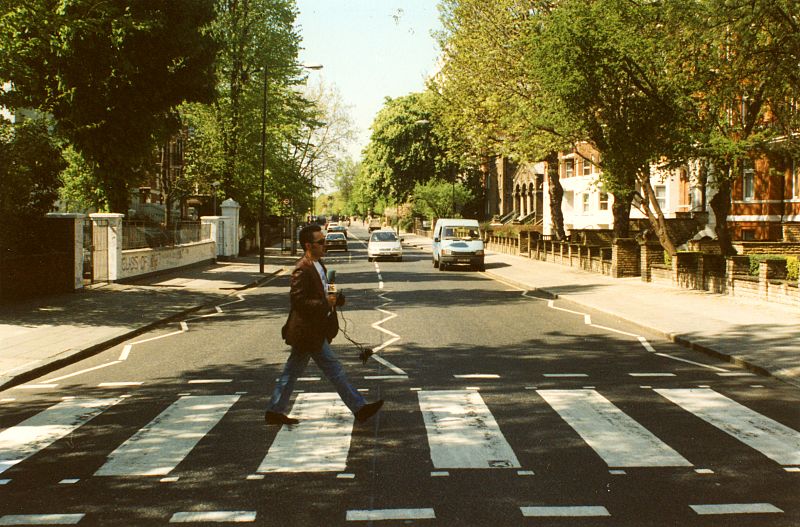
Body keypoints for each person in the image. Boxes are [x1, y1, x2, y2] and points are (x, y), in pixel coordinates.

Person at [266, 224, 384, 425]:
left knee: (292, 372)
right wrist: (325, 303)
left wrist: (336, 299)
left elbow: (327, 292)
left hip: (315, 329)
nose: (325, 245)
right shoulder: (301, 269)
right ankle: (359, 408)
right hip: (308, 331)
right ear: (308, 245)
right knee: (334, 369)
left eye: (325, 241)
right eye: (321, 242)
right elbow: (298, 302)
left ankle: (274, 411)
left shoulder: (320, 265)